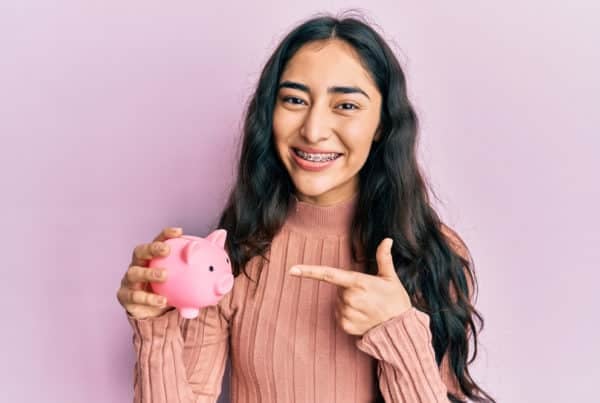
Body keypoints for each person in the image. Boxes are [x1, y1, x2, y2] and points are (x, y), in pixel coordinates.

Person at [116, 12, 495, 403]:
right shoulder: (233, 255)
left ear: (382, 124)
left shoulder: (430, 252)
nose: (313, 130)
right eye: (294, 100)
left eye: (346, 106)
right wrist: (154, 327)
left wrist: (397, 328)